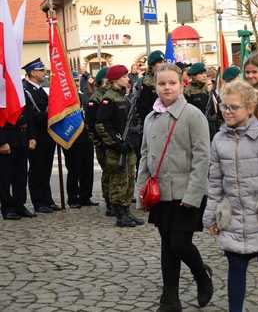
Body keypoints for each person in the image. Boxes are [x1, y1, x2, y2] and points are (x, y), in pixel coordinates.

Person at [203, 80, 258, 312]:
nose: (227, 112)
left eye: (233, 107)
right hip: (232, 215)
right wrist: (211, 216)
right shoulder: (219, 140)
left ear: (250, 108)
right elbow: (214, 182)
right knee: (236, 266)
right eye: (224, 107)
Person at [136, 63, 213, 312]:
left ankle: (202, 275)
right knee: (167, 246)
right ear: (155, 86)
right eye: (162, 83)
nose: (167, 87)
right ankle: (170, 299)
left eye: (172, 83)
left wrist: (194, 195)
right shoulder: (150, 117)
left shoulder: (193, 115)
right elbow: (144, 156)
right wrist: (141, 192)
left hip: (186, 194)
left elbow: (203, 158)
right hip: (160, 195)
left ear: (181, 84)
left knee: (180, 243)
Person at [95, 65, 144, 228]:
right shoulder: (109, 99)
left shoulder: (123, 97)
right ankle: (119, 214)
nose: (127, 79)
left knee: (129, 179)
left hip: (128, 145)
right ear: (115, 80)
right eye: (124, 77)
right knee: (119, 181)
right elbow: (102, 124)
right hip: (117, 149)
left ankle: (126, 211)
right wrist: (116, 143)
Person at [22, 58, 59, 213]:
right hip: (36, 136)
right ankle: (39, 202)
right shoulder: (26, 90)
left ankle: (47, 199)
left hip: (47, 135)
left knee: (46, 169)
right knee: (37, 169)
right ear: (32, 73)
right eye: (41, 70)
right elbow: (31, 116)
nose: (45, 73)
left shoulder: (39, 89)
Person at [0, 112, 36, 220]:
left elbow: (28, 116)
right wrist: (1, 142)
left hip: (21, 139)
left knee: (21, 176)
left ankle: (19, 205)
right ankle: (7, 208)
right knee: (5, 178)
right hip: (6, 139)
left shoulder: (23, 94)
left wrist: (32, 136)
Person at [86, 67, 112, 215]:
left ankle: (116, 199)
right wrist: (98, 141)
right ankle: (109, 201)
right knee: (108, 171)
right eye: (108, 79)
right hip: (102, 142)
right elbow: (91, 124)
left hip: (113, 141)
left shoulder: (112, 95)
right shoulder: (96, 98)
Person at [184, 62, 222, 140]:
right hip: (196, 126)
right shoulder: (188, 91)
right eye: (201, 74)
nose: (204, 75)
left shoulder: (210, 88)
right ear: (193, 76)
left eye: (205, 73)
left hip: (211, 125)